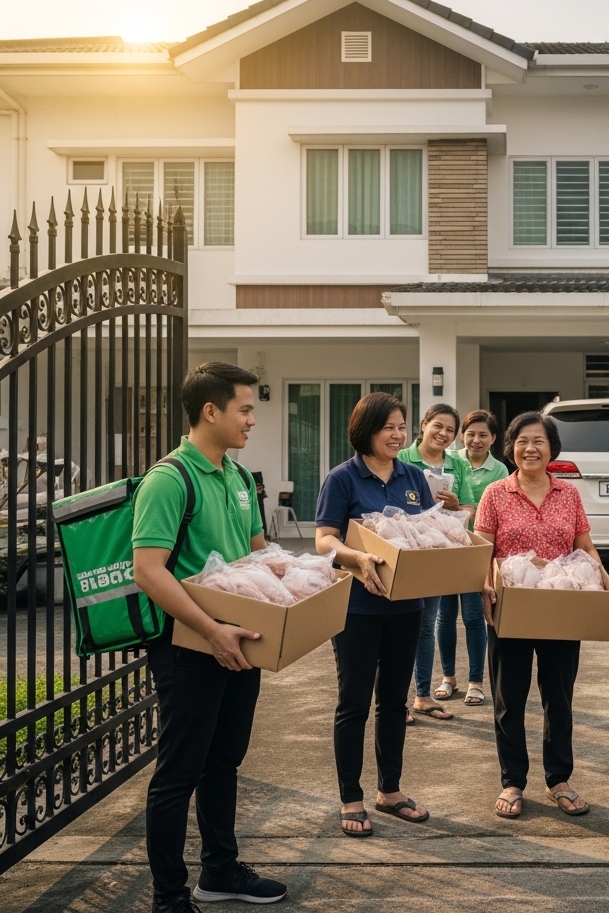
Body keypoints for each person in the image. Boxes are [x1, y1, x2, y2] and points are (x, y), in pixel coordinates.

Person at [133, 362, 287, 913]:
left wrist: (291, 574)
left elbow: (255, 549)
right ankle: (168, 897)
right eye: (245, 409)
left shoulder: (240, 476)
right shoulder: (169, 479)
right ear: (210, 411)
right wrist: (211, 630)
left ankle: (220, 870)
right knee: (179, 772)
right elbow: (148, 569)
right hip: (189, 648)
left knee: (225, 761)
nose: (252, 420)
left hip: (240, 640)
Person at [314, 392, 432, 839]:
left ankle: (390, 790)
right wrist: (357, 557)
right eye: (389, 427)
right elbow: (324, 539)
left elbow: (425, 532)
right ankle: (351, 796)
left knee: (394, 702)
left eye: (403, 427)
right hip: (358, 608)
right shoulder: (343, 478)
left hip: (407, 606)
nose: (398, 435)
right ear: (366, 430)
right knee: (354, 702)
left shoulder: (413, 476)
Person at [477, 411, 599, 819]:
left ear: (552, 449)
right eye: (522, 441)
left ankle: (559, 778)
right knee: (509, 698)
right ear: (510, 447)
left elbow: (585, 547)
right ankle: (512, 780)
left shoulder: (568, 494)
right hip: (511, 606)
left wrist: (600, 585)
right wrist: (484, 586)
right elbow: (482, 550)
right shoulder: (495, 493)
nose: (530, 448)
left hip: (561, 607)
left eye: (539, 441)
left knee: (559, 697)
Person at [397, 404, 475, 721]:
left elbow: (469, 509)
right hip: (403, 554)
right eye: (438, 426)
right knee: (397, 629)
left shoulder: (457, 463)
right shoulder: (402, 458)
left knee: (426, 626)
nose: (443, 434)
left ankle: (422, 697)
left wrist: (457, 506)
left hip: (436, 554)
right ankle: (393, 702)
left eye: (450, 431)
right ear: (424, 425)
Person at [434, 409, 509, 706]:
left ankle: (476, 681)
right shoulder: (450, 461)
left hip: (477, 550)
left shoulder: (500, 470)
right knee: (444, 615)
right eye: (470, 434)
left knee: (475, 616)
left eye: (483, 435)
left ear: (493, 439)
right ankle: (448, 678)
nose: (475, 440)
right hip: (446, 548)